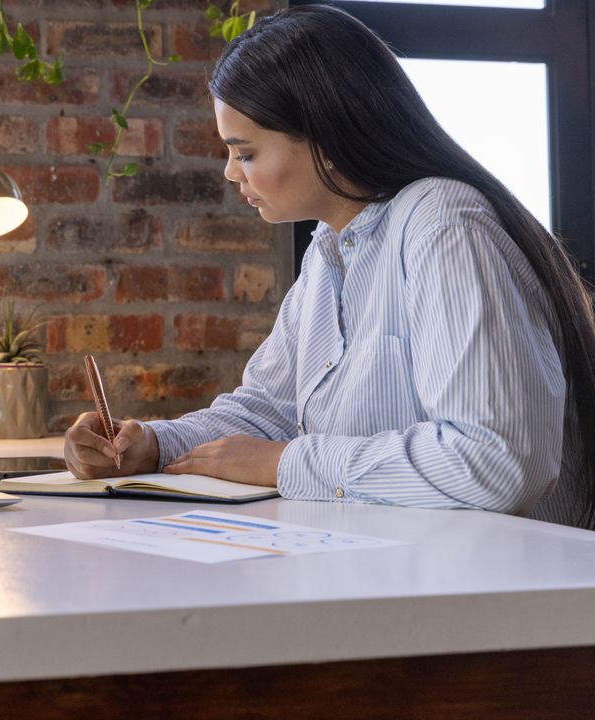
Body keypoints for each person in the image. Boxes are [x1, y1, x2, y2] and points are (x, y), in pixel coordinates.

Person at [64, 4, 595, 530]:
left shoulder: (443, 225)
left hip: (500, 577)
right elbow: (265, 412)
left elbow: (496, 460)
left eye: (245, 154)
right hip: (394, 563)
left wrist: (285, 463)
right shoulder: (329, 251)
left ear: (326, 136)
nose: (230, 173)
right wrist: (151, 446)